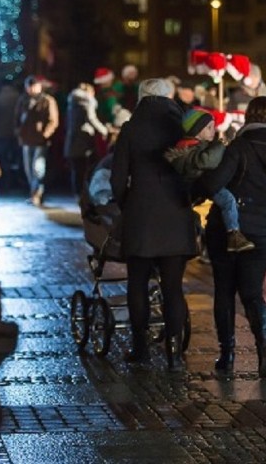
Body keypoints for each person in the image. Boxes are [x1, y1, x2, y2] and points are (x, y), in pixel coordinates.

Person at [200, 96, 266, 378]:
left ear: (248, 117)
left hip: (229, 230)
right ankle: (263, 347)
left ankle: (227, 353)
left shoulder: (240, 146)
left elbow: (214, 183)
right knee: (253, 293)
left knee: (225, 291)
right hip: (262, 228)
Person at [111, 78, 198, 371]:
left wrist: (127, 204)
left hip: (142, 214)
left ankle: (141, 348)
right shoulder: (181, 127)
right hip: (175, 213)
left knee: (137, 282)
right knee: (172, 287)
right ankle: (174, 353)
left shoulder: (131, 128)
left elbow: (117, 177)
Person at [165, 109, 253, 252]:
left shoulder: (186, 146)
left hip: (195, 187)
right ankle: (234, 234)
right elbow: (208, 160)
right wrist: (221, 145)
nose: (214, 130)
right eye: (209, 127)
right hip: (200, 184)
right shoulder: (191, 148)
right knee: (228, 200)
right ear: (197, 130)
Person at [15, 75, 59, 206]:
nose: (31, 89)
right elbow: (17, 118)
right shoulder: (23, 100)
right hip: (26, 139)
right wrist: (18, 132)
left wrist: (45, 134)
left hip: (40, 141)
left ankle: (37, 193)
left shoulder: (47, 100)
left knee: (37, 167)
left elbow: (53, 120)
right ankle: (33, 192)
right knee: (29, 168)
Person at [65, 83, 108, 196]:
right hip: (84, 141)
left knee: (76, 170)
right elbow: (92, 119)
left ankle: (77, 193)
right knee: (87, 169)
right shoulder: (87, 102)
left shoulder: (72, 103)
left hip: (72, 141)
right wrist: (104, 131)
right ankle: (85, 194)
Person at [0, 80, 21, 191]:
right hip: (17, 134)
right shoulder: (19, 98)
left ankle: (5, 182)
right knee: (17, 158)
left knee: (3, 159)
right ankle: (17, 182)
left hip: (1, 133)